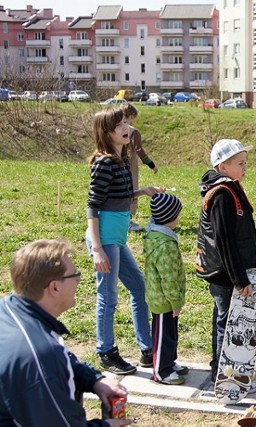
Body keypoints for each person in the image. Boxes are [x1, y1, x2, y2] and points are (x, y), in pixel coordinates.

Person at [0, 239, 134, 426]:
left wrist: (94, 379)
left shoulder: (8, 309)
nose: (79, 280)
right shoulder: (39, 353)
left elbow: (59, 362)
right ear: (54, 287)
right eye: (74, 275)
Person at [86, 107, 165, 375]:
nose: (126, 127)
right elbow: (93, 207)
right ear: (106, 132)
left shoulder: (119, 160)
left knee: (139, 288)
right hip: (105, 238)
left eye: (126, 122)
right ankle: (106, 352)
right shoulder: (104, 163)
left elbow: (118, 195)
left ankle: (146, 349)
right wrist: (97, 249)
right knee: (108, 298)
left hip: (116, 238)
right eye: (120, 124)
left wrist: (142, 191)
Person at [195, 139, 256, 394]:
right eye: (240, 163)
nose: (245, 167)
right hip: (225, 275)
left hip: (234, 273)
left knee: (228, 321)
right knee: (227, 324)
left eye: (245, 162)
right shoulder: (221, 195)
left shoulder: (231, 188)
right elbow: (224, 241)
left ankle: (232, 372)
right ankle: (224, 376)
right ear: (223, 166)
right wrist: (240, 279)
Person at [144, 193, 189, 385]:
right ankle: (161, 371)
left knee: (171, 333)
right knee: (163, 335)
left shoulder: (159, 236)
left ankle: (169, 362)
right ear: (170, 217)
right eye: (177, 214)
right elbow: (168, 277)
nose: (179, 218)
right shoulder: (165, 244)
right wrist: (175, 301)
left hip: (165, 299)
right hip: (164, 300)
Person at [122, 104, 158, 232]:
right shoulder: (133, 131)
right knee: (132, 188)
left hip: (117, 163)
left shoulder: (113, 128)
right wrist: (152, 165)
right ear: (131, 116)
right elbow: (139, 150)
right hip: (130, 164)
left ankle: (121, 219)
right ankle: (127, 221)